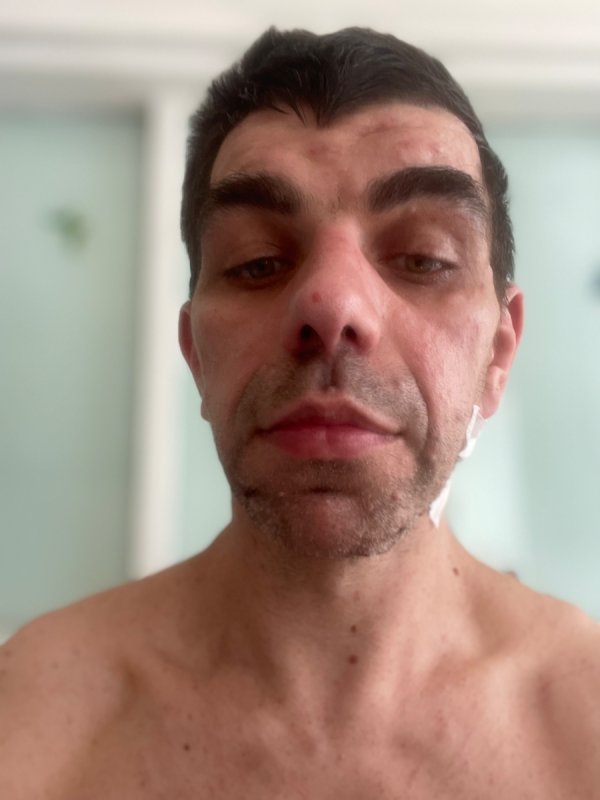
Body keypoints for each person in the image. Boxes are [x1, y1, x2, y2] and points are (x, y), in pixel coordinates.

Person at [1, 26, 599, 799]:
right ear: (196, 354)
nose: (331, 304)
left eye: (423, 258)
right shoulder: (29, 724)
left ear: (499, 354)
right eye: (257, 261)